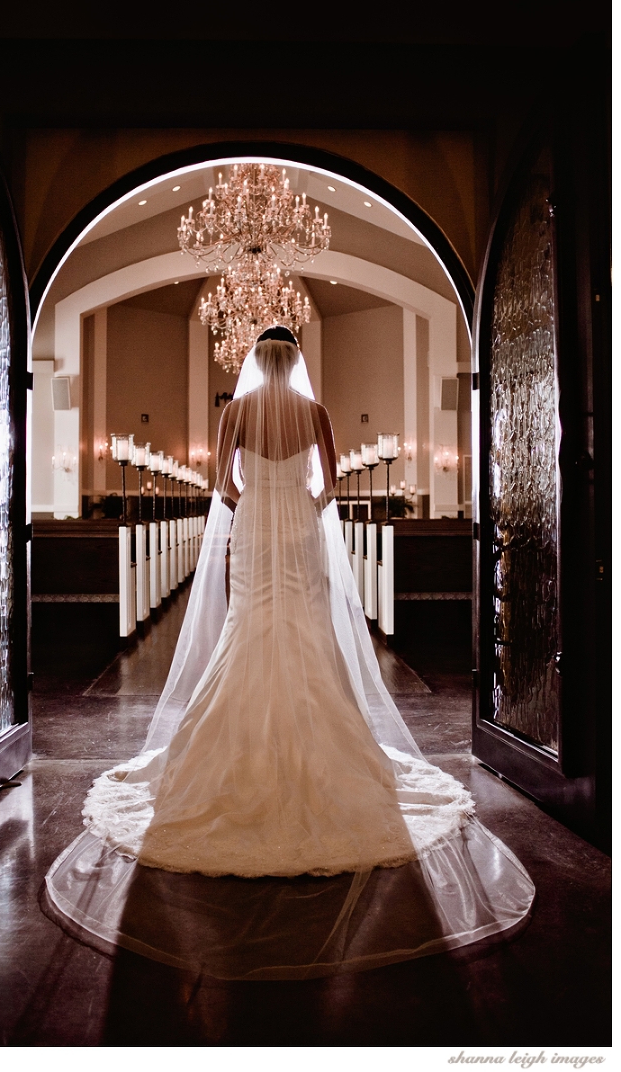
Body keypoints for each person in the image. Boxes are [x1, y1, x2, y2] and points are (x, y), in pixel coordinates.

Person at [44, 326, 534, 980]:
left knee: (249, 628)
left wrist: (258, 502)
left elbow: (224, 487)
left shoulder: (236, 411)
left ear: (254, 364)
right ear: (295, 364)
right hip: (300, 528)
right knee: (305, 628)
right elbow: (329, 485)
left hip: (251, 533)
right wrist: (297, 503)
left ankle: (231, 752)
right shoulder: (314, 412)